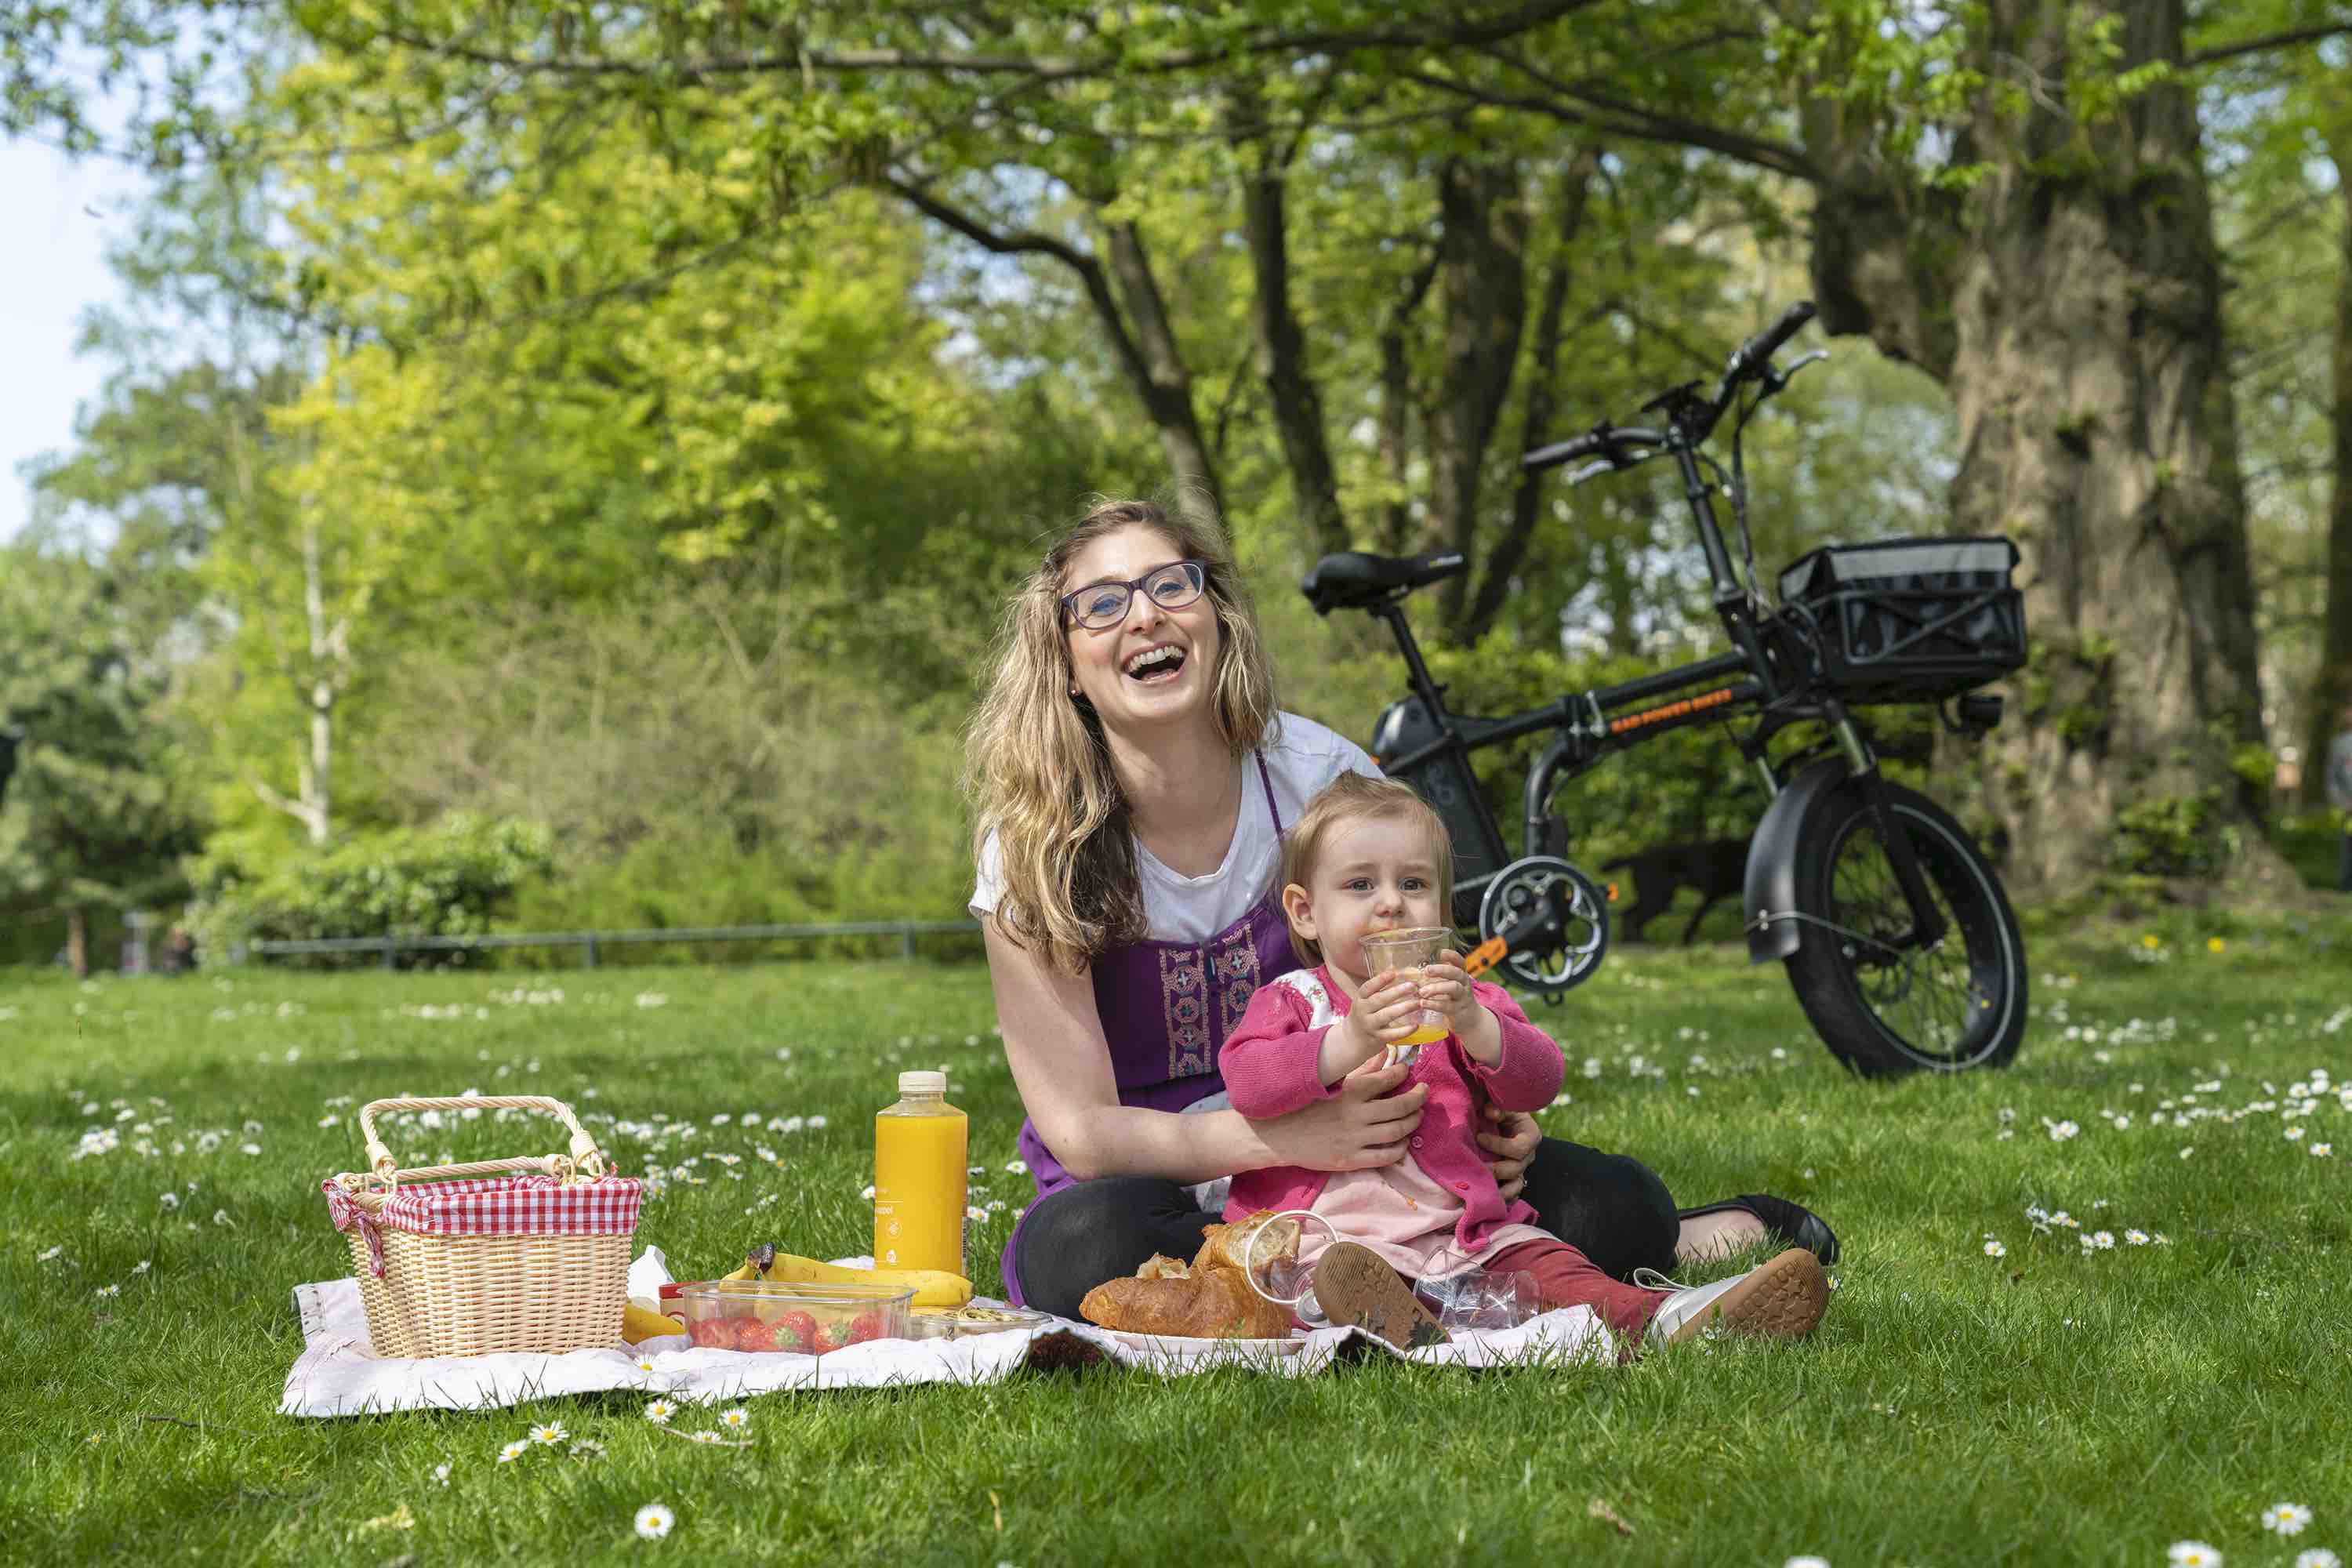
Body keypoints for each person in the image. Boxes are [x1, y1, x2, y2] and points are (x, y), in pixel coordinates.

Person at [965, 496, 1837, 1321]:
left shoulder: (1319, 778)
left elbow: (1428, 982)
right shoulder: (1037, 844)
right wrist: (1289, 1139)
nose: (1145, 616)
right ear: (1066, 662)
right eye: (1103, 603)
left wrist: (1491, 1108)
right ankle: (1381, 1286)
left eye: (1171, 584)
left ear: (1216, 614)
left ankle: (1633, 1237)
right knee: (1085, 1249)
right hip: (1154, 1176)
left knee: (1615, 1201)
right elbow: (1079, 1131)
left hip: (1384, 1154)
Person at [1220, 773, 1827, 1347]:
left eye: (1413, 884)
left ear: (1443, 906)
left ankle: (1676, 1318)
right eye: (1360, 885)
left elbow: (1541, 1080)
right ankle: (1393, 1323)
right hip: (1333, 1243)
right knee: (1320, 1285)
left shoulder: (1465, 1002)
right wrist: (1348, 1041)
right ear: (1305, 912)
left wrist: (1476, 1024)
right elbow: (1248, 1082)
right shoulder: (1294, 1002)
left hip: (1464, 1237)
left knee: (1555, 1268)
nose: (1391, 906)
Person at [2330, 699, 2352, 894]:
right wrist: (2342, 801)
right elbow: (2332, 778)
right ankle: (2346, 886)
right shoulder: (2340, 745)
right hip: (2348, 807)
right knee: (2348, 845)